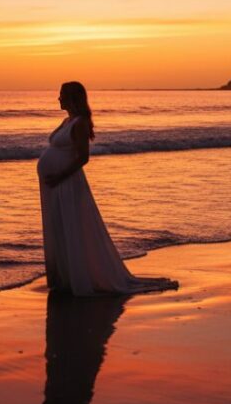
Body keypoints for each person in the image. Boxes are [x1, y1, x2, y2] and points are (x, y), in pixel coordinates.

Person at [37, 81, 178, 295]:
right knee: (59, 227)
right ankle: (64, 278)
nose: (58, 98)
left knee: (72, 227)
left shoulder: (80, 123)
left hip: (66, 183)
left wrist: (59, 176)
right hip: (55, 185)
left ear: (73, 98)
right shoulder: (67, 121)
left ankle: (78, 279)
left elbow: (83, 158)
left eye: (62, 95)